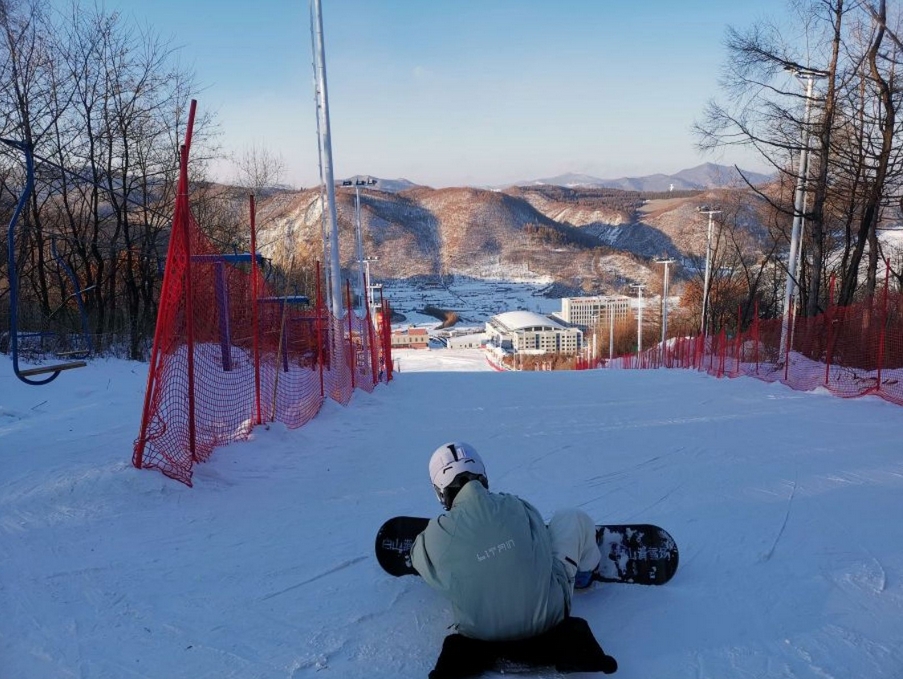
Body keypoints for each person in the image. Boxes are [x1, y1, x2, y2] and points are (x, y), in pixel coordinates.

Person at [410, 441, 602, 643]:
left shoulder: (437, 533)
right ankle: (586, 570)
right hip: (549, 617)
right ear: (482, 475)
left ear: (440, 491)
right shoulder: (515, 505)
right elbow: (542, 541)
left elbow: (419, 560)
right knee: (571, 517)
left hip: (480, 633)